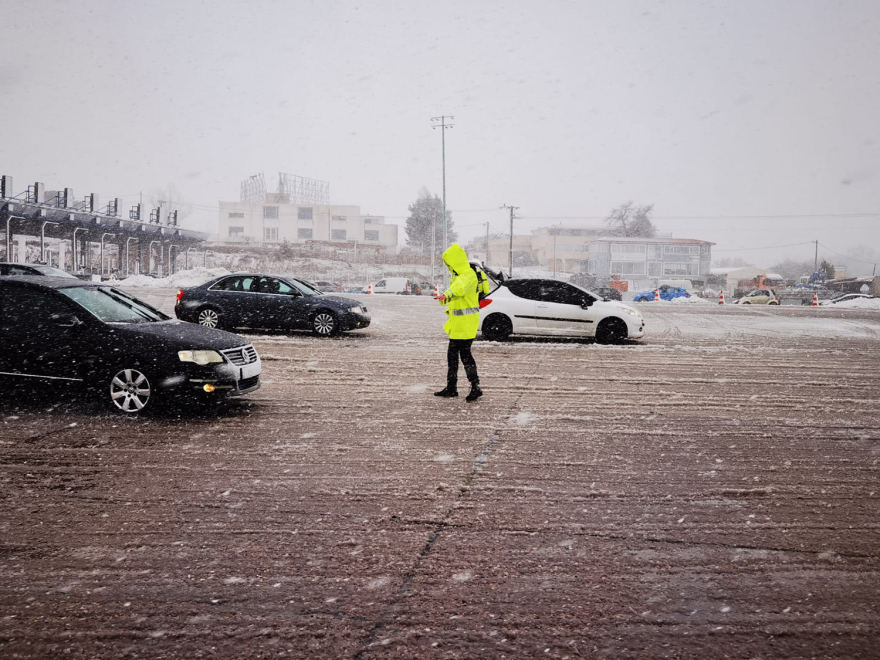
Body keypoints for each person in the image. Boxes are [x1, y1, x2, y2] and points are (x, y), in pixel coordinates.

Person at [434, 244, 483, 402]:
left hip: (466, 324)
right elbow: (458, 292)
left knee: (464, 356)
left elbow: (459, 288)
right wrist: (446, 297)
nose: (448, 267)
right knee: (454, 356)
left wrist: (447, 294)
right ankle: (453, 387)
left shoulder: (467, 274)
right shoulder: (460, 275)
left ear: (456, 261)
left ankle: (474, 387)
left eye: (449, 263)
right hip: (459, 324)